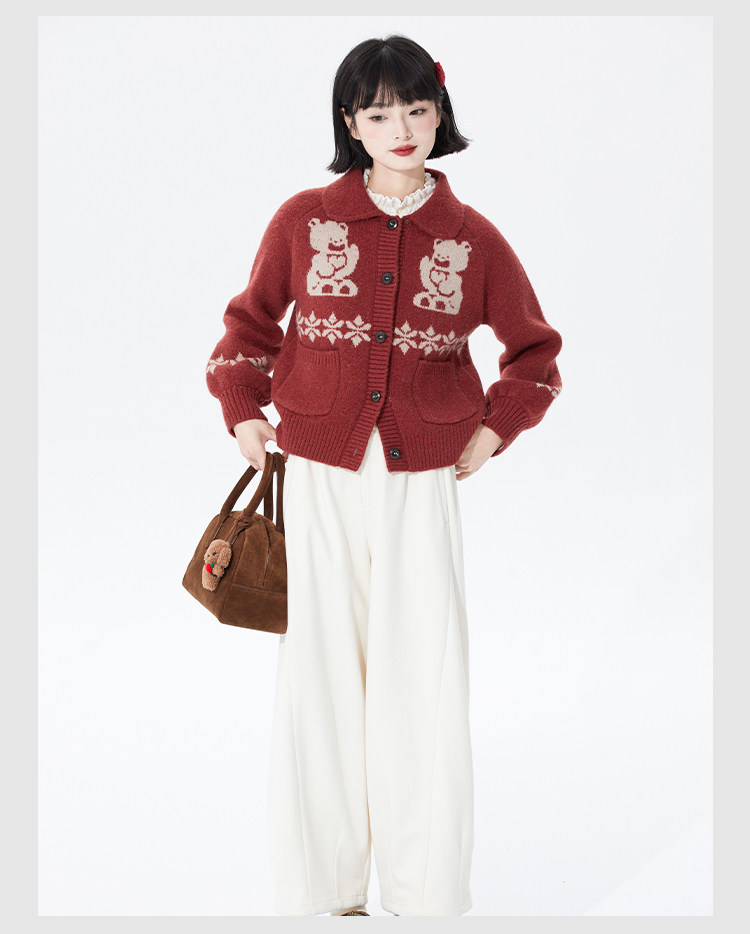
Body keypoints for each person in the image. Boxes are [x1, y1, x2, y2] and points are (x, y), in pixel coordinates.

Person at [205, 35, 563, 917]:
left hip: (421, 478)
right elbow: (247, 329)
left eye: (415, 108)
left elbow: (535, 353)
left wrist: (495, 430)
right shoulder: (304, 221)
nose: (400, 127)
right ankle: (324, 893)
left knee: (422, 676)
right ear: (350, 123)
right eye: (377, 112)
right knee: (318, 672)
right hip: (317, 471)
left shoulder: (471, 239)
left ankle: (423, 891)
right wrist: (244, 409)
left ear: (440, 114)